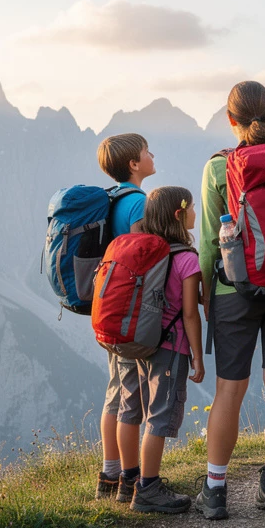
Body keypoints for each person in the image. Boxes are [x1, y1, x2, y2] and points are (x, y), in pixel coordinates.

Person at [194, 81, 265, 520]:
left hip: (234, 290)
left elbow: (209, 243)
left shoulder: (217, 169)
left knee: (230, 389)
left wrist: (207, 296)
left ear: (231, 121)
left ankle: (216, 491)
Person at [126, 186, 205, 513]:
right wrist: (197, 356)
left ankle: (138, 482)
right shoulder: (186, 259)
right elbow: (190, 313)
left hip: (143, 343)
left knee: (146, 412)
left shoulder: (147, 251)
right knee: (159, 417)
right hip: (171, 347)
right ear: (178, 214)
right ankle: (148, 488)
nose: (195, 214)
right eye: (191, 208)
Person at [95, 133, 156, 501]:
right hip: (131, 311)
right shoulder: (138, 204)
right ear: (134, 164)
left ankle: (109, 472)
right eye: (147, 152)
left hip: (108, 306)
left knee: (116, 391)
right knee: (132, 395)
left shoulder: (111, 199)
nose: (152, 156)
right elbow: (143, 257)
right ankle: (131, 480)